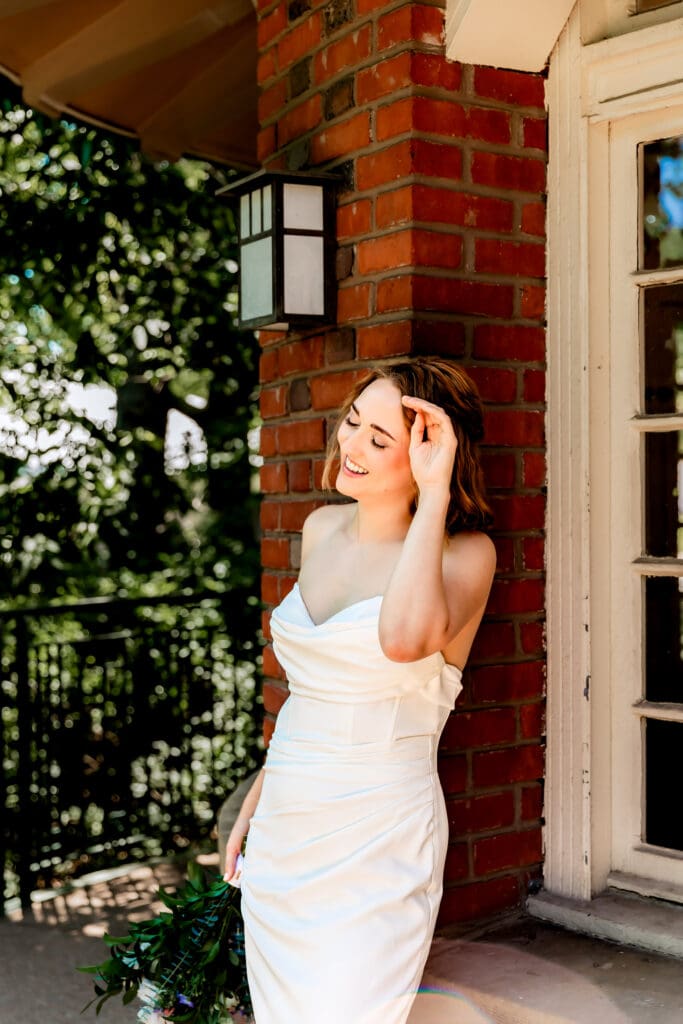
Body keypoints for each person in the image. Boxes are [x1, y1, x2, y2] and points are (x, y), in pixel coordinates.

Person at [224, 357, 496, 1024]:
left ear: (433, 455)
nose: (351, 446)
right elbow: (308, 694)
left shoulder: (465, 556)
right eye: (351, 424)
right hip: (289, 822)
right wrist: (260, 795)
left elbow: (403, 640)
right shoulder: (319, 529)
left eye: (379, 439)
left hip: (378, 831)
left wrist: (431, 497)